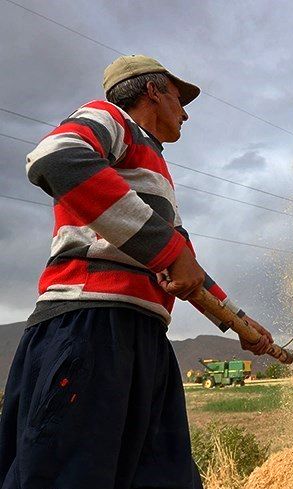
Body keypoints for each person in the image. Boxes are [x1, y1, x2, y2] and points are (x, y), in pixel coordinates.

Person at [0, 55, 274, 489]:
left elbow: (183, 270)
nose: (184, 112)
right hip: (89, 327)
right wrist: (168, 247)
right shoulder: (110, 119)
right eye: (179, 98)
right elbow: (55, 157)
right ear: (153, 90)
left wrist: (236, 320)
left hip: (144, 337)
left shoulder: (156, 169)